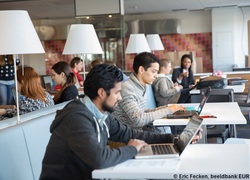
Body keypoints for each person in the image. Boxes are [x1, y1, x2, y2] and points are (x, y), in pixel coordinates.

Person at [40, 64, 201, 180]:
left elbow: (129, 133)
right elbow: (99, 158)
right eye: (117, 93)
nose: (120, 98)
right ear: (102, 93)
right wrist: (132, 149)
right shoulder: (76, 119)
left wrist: (174, 139)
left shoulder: (100, 114)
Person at [111, 52, 184, 133]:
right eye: (154, 71)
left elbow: (141, 113)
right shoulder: (127, 88)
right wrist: (168, 110)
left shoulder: (140, 86)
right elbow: (138, 119)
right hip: (125, 138)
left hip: (135, 133)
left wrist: (166, 108)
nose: (156, 76)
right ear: (141, 70)